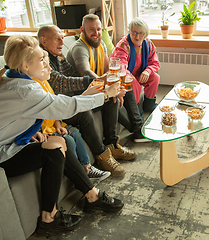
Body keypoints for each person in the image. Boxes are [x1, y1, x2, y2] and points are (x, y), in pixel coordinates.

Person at [0, 35, 124, 235]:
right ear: (24, 65)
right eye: (41, 60)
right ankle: (49, 217)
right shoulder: (25, 91)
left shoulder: (12, 79)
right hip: (3, 155)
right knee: (55, 149)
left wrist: (28, 134)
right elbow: (63, 107)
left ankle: (91, 195)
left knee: (59, 141)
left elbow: (10, 120)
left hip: (8, 143)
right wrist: (105, 95)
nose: (47, 64)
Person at [38, 25, 138, 177]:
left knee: (110, 98)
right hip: (56, 108)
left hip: (68, 99)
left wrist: (103, 86)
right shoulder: (41, 60)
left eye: (62, 37)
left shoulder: (58, 56)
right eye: (57, 38)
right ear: (43, 41)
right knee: (84, 113)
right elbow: (61, 82)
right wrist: (97, 80)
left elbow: (72, 74)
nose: (61, 41)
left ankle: (111, 144)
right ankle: (102, 155)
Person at [67, 14, 151, 143]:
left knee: (124, 85)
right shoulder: (79, 48)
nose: (96, 33)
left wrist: (116, 85)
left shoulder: (101, 44)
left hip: (97, 85)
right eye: (91, 29)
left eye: (99, 29)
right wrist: (108, 87)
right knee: (113, 97)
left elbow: (109, 70)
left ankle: (137, 129)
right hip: (83, 91)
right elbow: (85, 72)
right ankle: (137, 129)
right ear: (82, 30)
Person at [33, 54, 111, 182]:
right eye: (45, 66)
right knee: (69, 139)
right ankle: (77, 174)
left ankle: (87, 167)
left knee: (75, 132)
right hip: (44, 129)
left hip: (55, 122)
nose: (50, 69)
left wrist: (58, 125)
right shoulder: (35, 88)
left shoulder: (45, 82)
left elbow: (55, 109)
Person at [110, 17, 160, 114]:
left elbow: (155, 63)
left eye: (141, 33)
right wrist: (131, 77)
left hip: (139, 72)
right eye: (134, 32)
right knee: (133, 82)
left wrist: (147, 71)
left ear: (145, 35)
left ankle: (149, 105)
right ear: (129, 31)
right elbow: (121, 67)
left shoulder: (149, 44)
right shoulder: (123, 45)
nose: (137, 36)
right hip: (121, 76)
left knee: (155, 78)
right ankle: (136, 109)